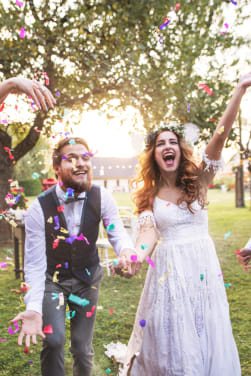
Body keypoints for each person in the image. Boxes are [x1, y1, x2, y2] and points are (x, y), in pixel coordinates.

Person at [112, 72, 251, 375]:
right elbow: (147, 234)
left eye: (172, 141)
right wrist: (135, 257)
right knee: (174, 338)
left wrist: (240, 90)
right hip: (169, 274)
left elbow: (220, 137)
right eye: (160, 143)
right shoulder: (149, 195)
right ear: (154, 155)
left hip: (202, 268)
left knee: (206, 329)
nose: (167, 146)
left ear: (179, 149)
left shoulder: (199, 181)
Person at [11, 137, 136, 376]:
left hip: (87, 280)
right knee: (54, 340)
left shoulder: (103, 197)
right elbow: (36, 265)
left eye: (85, 157)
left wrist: (126, 251)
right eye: (72, 158)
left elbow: (117, 232)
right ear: (57, 168)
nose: (81, 163)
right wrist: (34, 308)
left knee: (82, 346)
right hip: (52, 281)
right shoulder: (39, 207)